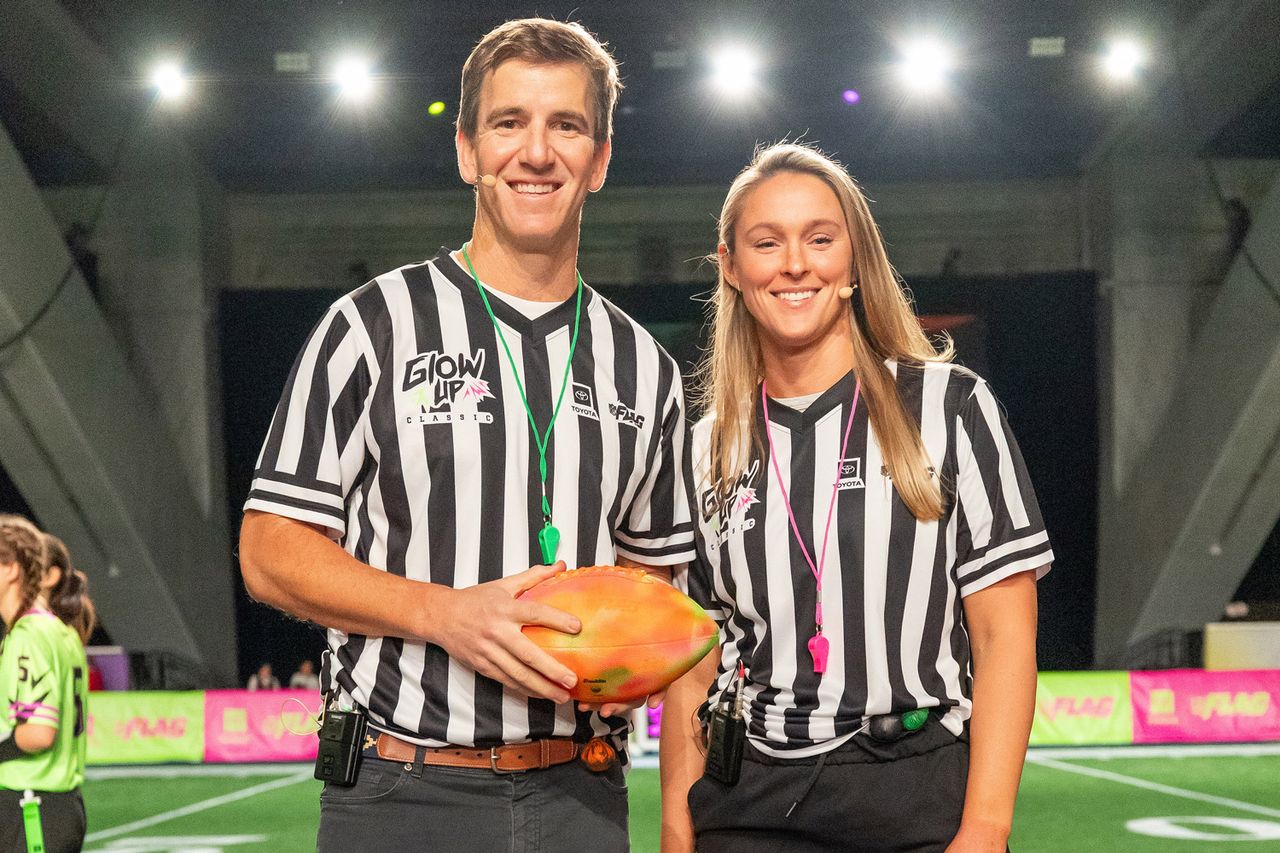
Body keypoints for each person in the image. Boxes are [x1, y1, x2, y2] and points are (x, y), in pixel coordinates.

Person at [238, 17, 694, 852]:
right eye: (508, 122)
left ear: (600, 158)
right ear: (466, 150)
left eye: (567, 126)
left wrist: (631, 660)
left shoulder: (646, 365)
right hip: (400, 787)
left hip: (582, 790)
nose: (536, 151)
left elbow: (653, 566)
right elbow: (268, 547)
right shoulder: (371, 325)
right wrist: (443, 613)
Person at [660, 143, 1053, 853]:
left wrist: (987, 827)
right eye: (766, 242)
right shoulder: (706, 444)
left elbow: (1004, 636)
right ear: (731, 267)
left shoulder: (949, 405)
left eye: (819, 238)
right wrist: (676, 826)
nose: (795, 264)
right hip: (747, 799)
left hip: (915, 791)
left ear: (854, 259)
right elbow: (694, 659)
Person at [0, 516, 90, 853]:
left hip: (30, 805)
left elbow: (38, 732)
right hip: (55, 804)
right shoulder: (59, 630)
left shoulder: (30, 634)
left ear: (11, 569)